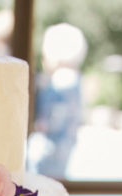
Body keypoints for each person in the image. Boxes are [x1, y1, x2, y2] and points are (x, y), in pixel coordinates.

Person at [30, 23, 86, 179]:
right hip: (64, 148)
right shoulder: (76, 81)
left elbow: (51, 120)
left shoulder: (60, 82)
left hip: (51, 150)